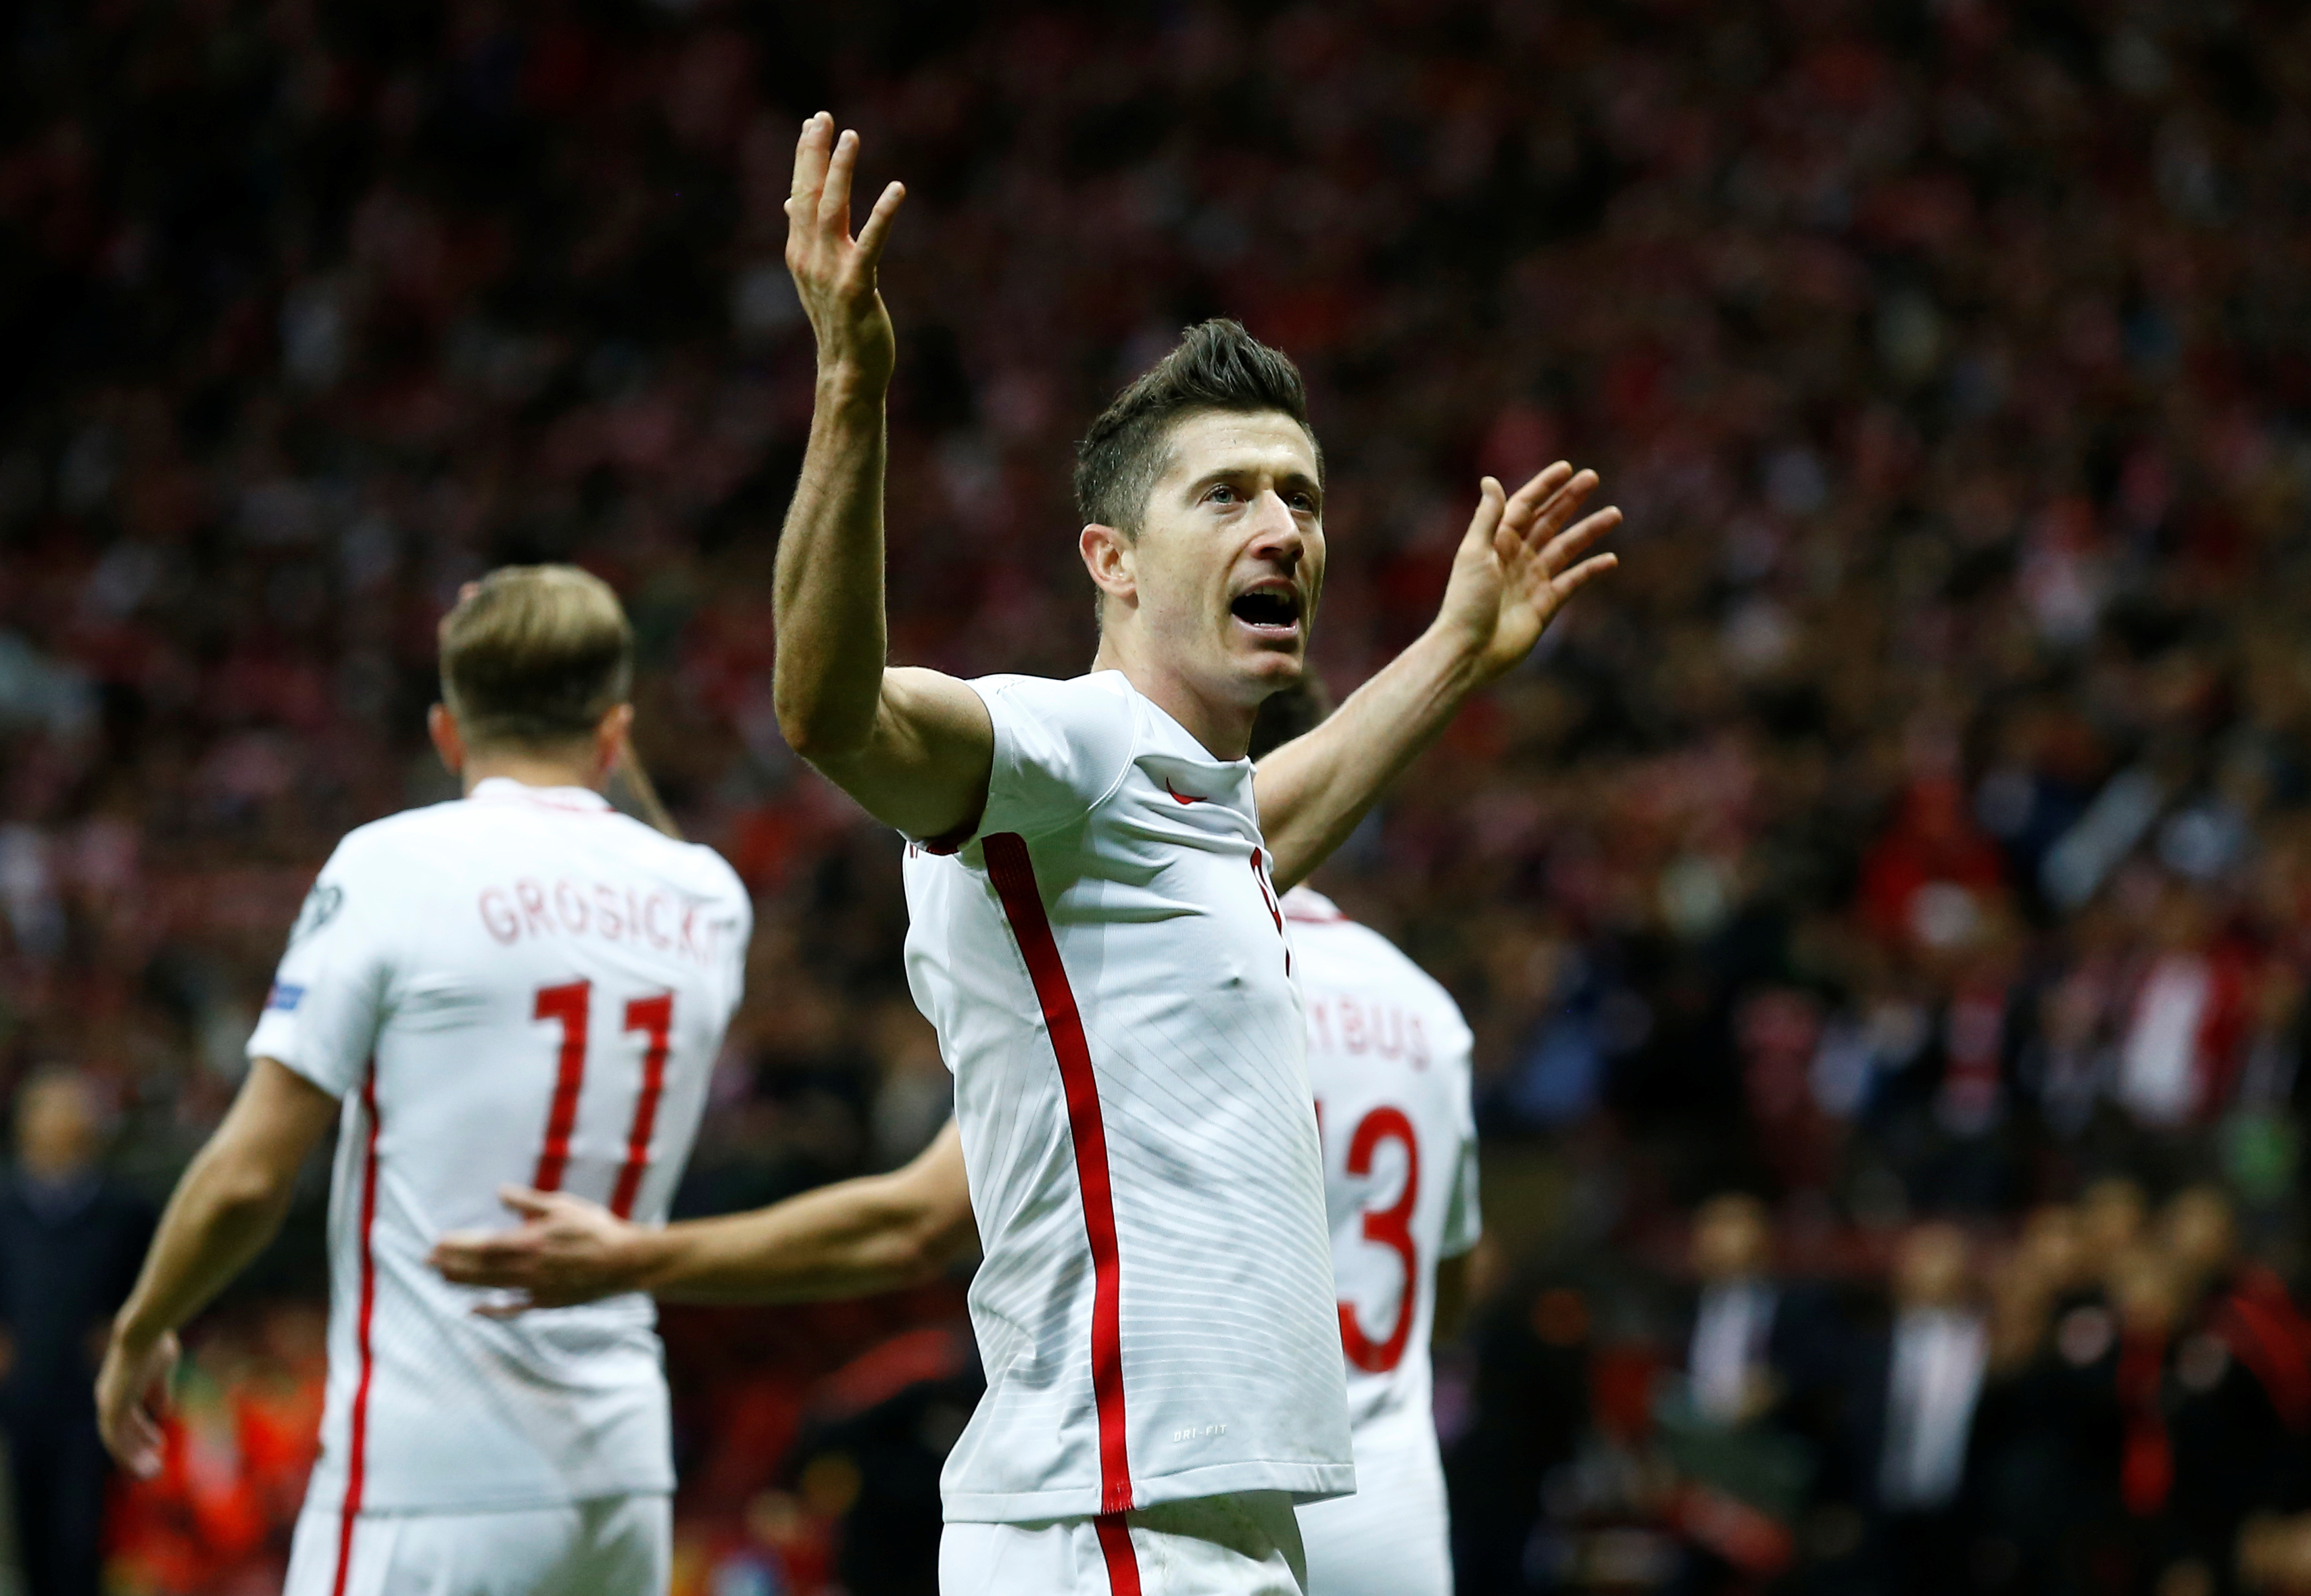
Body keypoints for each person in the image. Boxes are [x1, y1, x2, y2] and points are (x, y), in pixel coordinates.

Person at [445, 110, 1611, 1596]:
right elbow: (830, 712)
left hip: (1206, 1513)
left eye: (1300, 495)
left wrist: (1451, 652)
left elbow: (1258, 827)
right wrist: (850, 384)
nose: (1281, 525)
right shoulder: (1063, 747)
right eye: (1226, 493)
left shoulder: (1183, 820)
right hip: (1110, 1522)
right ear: (1108, 559)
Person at [432, 690, 1490, 1596]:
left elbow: (914, 1223)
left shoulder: (1144, 964)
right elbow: (1449, 1289)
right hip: (1385, 1514)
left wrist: (634, 1259)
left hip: (1185, 1486)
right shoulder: (1426, 1014)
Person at [92, 566, 752, 1596]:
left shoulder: (389, 867)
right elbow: (636, 848)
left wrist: (144, 1325)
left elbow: (248, 1177)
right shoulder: (710, 897)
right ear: (615, 732)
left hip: (426, 1477)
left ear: (446, 733)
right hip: (622, 1481)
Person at [0, 1068, 154, 1596]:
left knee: (82, 1535)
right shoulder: (8, 1208)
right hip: (22, 1397)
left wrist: (128, 1334)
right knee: (29, 1533)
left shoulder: (124, 1212)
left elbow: (150, 1289)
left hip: (94, 1397)